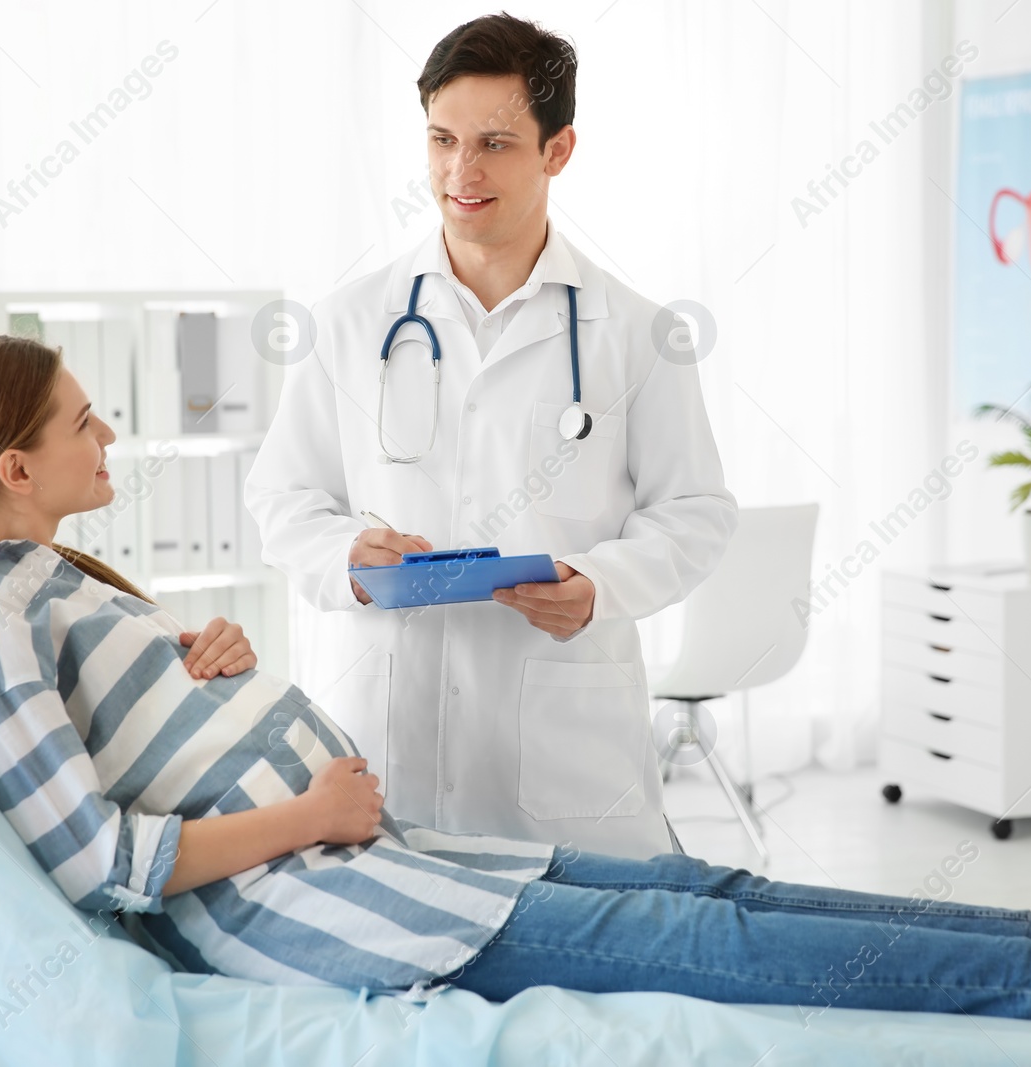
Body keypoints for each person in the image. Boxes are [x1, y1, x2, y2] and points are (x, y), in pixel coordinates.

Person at [0, 336, 1031, 1039]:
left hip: (381, 852)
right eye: (84, 418)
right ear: (14, 464)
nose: (109, 431)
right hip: (327, 901)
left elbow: (133, 748)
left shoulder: (55, 581)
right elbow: (93, 855)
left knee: (712, 890)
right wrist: (309, 814)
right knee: (703, 948)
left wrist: (209, 664)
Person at [243, 13, 738, 860]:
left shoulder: (638, 333)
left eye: (495, 144)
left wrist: (597, 582)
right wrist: (347, 559)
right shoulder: (349, 323)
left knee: (587, 980)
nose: (459, 172)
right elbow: (283, 497)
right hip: (386, 731)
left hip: (566, 760)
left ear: (558, 150)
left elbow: (695, 513)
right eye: (442, 139)